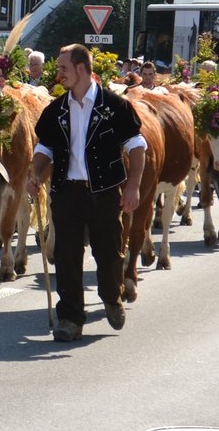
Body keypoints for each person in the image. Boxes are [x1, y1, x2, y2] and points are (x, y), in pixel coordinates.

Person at [26, 44, 146, 342]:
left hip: (105, 192)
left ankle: (111, 296)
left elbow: (136, 146)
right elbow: (45, 148)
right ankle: (70, 318)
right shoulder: (56, 109)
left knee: (108, 255)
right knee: (66, 256)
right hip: (67, 192)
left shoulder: (114, 106)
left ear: (81, 69)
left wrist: (132, 186)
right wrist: (36, 172)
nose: (58, 73)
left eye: (63, 68)